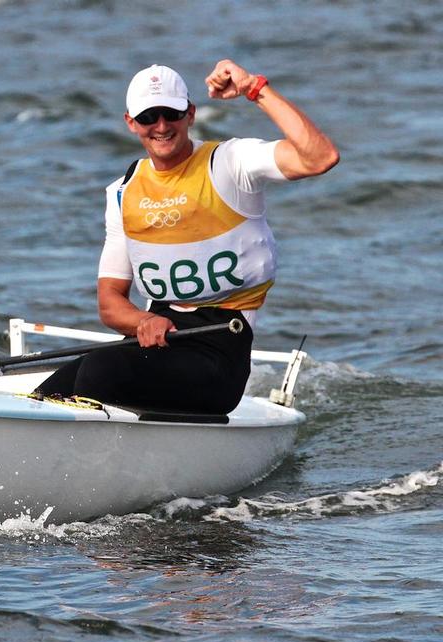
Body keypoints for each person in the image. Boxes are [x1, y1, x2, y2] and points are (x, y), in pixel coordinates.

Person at [34, 60, 338, 414]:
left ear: (190, 114)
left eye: (171, 114)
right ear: (131, 123)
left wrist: (255, 89)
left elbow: (320, 157)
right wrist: (144, 321)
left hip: (220, 349)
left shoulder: (231, 163)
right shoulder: (122, 192)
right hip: (157, 341)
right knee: (52, 389)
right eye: (149, 117)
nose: (161, 127)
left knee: (99, 370)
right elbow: (110, 302)